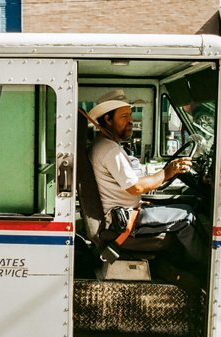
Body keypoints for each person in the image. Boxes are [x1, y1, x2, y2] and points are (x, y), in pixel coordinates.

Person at [87, 90, 207, 263]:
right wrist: (168, 172)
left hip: (124, 213)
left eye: (130, 115)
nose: (130, 120)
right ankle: (207, 269)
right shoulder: (109, 150)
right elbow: (136, 187)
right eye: (124, 116)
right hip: (124, 220)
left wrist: (165, 173)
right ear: (108, 119)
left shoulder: (105, 144)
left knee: (185, 206)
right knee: (187, 217)